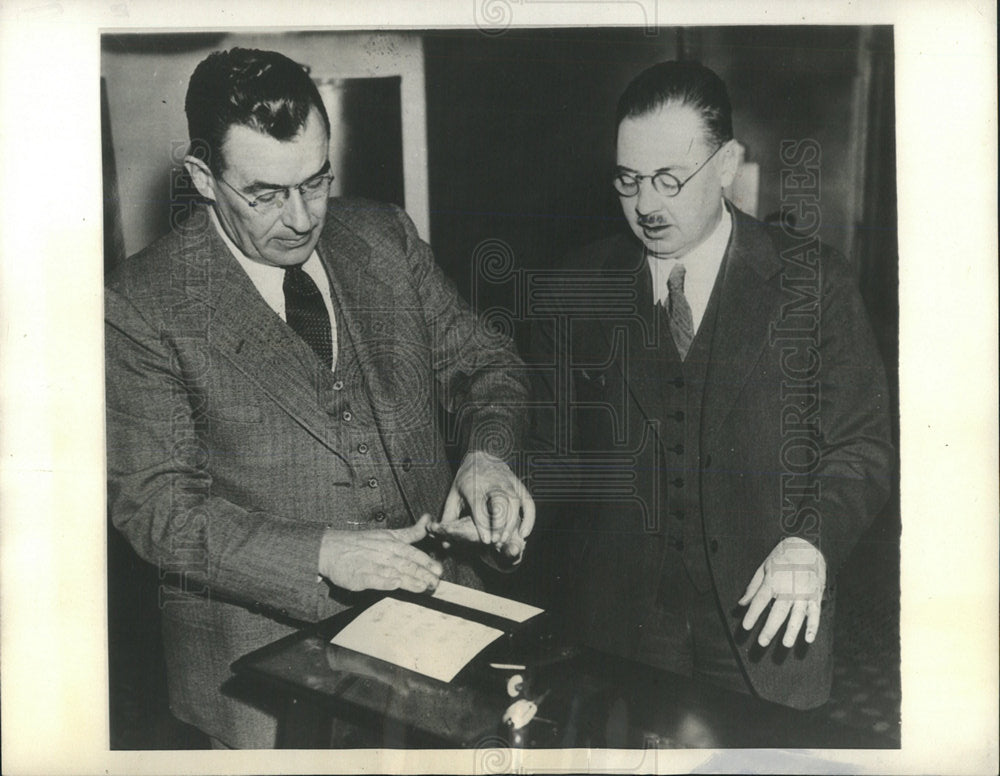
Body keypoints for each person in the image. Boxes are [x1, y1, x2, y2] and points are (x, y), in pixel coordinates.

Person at [105, 47, 533, 748]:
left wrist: (487, 455)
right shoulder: (141, 305)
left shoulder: (384, 238)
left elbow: (487, 365)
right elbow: (158, 511)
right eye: (267, 194)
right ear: (202, 178)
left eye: (316, 181)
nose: (302, 218)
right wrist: (323, 552)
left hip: (442, 642)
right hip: (267, 683)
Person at [531, 60, 893, 709]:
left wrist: (812, 541)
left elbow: (861, 448)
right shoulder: (577, 287)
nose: (645, 205)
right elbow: (549, 453)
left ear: (726, 164)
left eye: (669, 180)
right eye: (628, 180)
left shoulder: (815, 284)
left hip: (766, 631)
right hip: (620, 634)